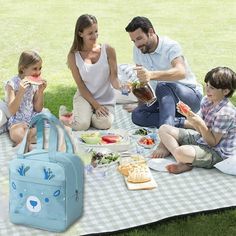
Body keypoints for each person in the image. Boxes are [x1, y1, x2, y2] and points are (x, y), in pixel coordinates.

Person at [152, 67, 236, 174]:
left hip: (217, 152)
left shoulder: (225, 114)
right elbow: (199, 130)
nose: (207, 90)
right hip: (202, 138)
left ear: (226, 91)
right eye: (207, 85)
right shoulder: (207, 100)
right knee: (164, 129)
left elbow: (212, 143)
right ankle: (181, 162)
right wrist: (189, 117)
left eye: (212, 88)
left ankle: (181, 157)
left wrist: (199, 123)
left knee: (181, 151)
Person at [125, 16, 203, 128]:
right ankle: (186, 123)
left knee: (162, 86)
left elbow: (181, 72)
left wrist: (151, 75)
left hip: (190, 98)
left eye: (139, 38)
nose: (137, 44)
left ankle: (167, 131)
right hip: (165, 100)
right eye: (133, 41)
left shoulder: (170, 46)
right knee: (138, 114)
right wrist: (141, 102)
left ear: (151, 32)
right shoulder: (138, 50)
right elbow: (143, 80)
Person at [67, 14, 121, 131]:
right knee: (82, 125)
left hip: (105, 99)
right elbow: (80, 85)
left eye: (96, 31)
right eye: (90, 33)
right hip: (85, 97)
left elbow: (114, 78)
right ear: (80, 33)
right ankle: (71, 115)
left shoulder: (108, 50)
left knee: (105, 123)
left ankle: (85, 115)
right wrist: (96, 105)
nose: (95, 35)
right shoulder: (73, 56)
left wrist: (122, 86)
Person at [5, 50, 47, 145]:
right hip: (17, 121)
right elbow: (12, 110)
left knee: (45, 123)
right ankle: (30, 140)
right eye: (34, 69)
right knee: (16, 133)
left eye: (40, 68)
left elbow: (38, 108)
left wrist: (40, 92)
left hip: (32, 119)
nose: (38, 72)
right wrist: (21, 92)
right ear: (23, 68)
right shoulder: (11, 84)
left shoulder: (35, 84)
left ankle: (24, 142)